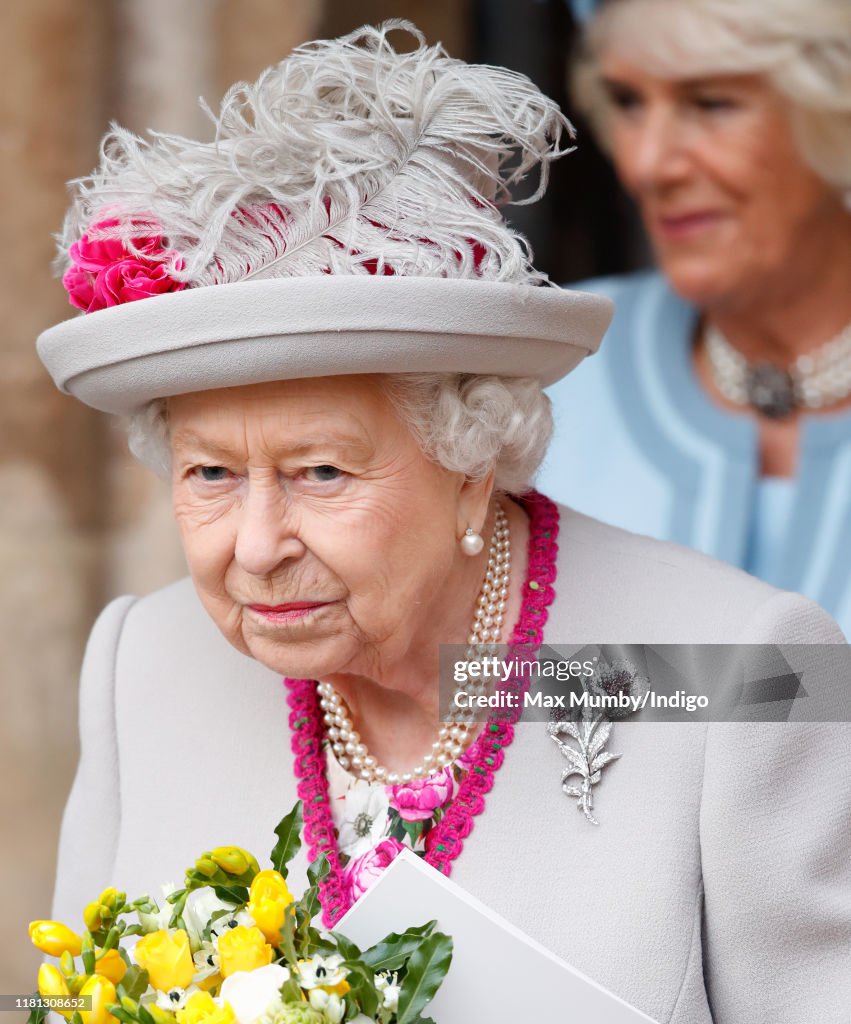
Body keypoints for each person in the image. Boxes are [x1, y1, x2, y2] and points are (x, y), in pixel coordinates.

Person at [37, 23, 849, 1024]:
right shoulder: (144, 662)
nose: (253, 548)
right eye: (210, 472)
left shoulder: (742, 665)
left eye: (319, 471)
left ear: (473, 462)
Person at [540, 0, 851, 637]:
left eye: (711, 103)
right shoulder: (545, 361)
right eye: (628, 101)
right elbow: (455, 685)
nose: (648, 164)